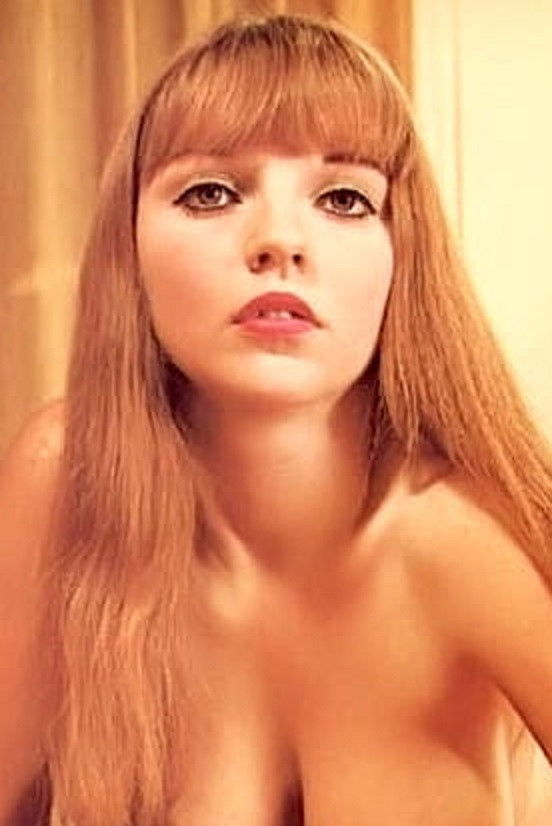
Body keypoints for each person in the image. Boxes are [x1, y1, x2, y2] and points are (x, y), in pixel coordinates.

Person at [1, 11, 552, 826]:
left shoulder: (467, 537)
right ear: (130, 247)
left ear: (405, 255)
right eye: (212, 192)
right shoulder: (64, 479)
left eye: (343, 198)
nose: (280, 241)